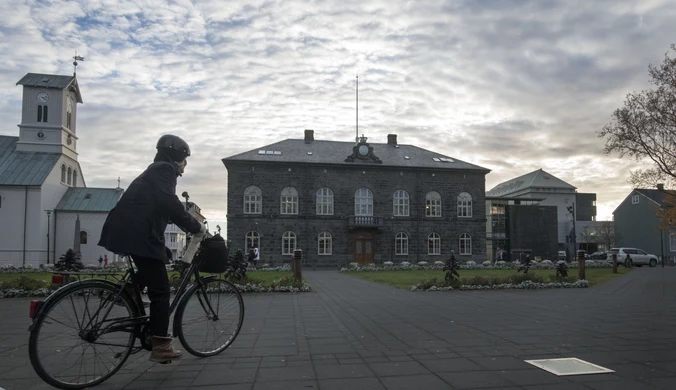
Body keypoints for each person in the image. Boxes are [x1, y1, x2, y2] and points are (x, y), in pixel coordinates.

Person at [98, 134, 204, 363]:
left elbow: (156, 207)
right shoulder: (163, 170)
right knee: (161, 293)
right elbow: (170, 203)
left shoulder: (155, 171)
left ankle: (128, 291)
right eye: (185, 159)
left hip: (131, 232)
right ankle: (160, 344)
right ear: (176, 156)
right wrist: (195, 226)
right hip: (137, 234)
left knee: (157, 260)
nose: (185, 165)